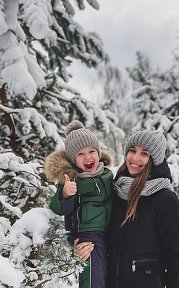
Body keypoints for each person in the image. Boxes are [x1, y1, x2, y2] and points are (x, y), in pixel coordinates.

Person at [75, 130, 179, 288]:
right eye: (132, 150)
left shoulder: (164, 199)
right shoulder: (115, 190)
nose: (135, 158)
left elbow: (178, 259)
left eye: (144, 153)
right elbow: (98, 231)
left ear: (154, 160)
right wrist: (80, 245)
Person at [45, 120, 113, 288]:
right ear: (73, 159)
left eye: (92, 151)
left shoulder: (107, 175)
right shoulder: (72, 180)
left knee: (111, 278)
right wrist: (65, 194)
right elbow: (59, 209)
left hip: (111, 233)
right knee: (93, 280)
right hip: (88, 238)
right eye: (81, 154)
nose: (88, 157)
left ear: (98, 152)